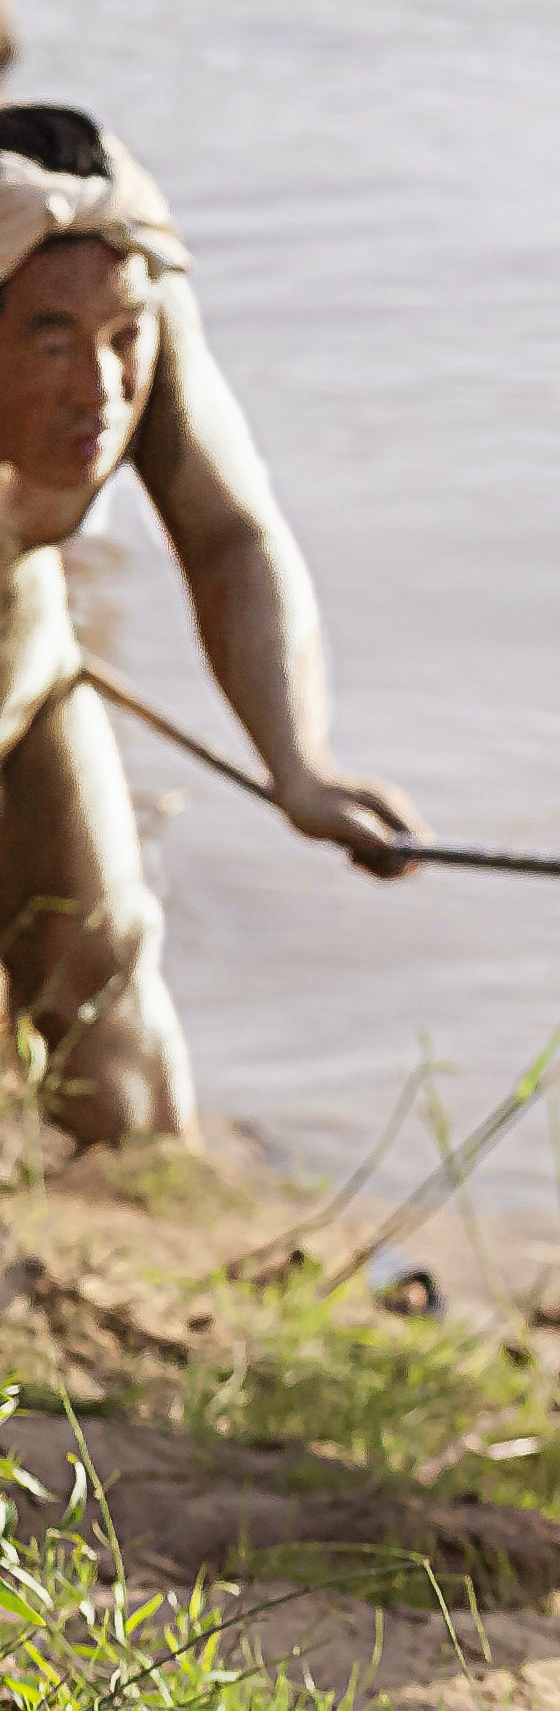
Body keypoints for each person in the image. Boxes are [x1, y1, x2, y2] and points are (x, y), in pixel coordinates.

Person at [0, 100, 426, 1145]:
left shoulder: (118, 271)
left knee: (105, 990)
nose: (101, 387)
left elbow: (230, 533)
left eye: (123, 339)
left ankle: (136, 1212)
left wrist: (299, 763)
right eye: (52, 345)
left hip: (23, 657)